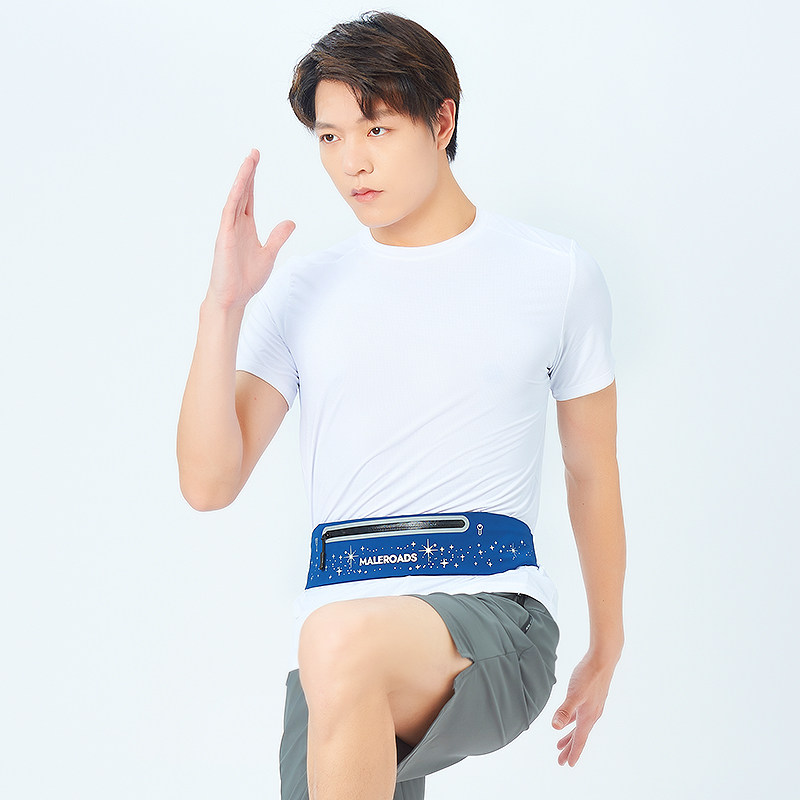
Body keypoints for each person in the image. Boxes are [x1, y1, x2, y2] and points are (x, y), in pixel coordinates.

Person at [176, 9, 626, 800]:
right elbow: (209, 484)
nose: (352, 160)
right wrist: (224, 307)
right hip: (335, 646)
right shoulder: (301, 292)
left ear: (442, 120)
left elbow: (592, 468)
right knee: (335, 648)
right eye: (329, 137)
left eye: (377, 129)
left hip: (492, 616)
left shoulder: (554, 275)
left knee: (338, 641)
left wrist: (607, 642)